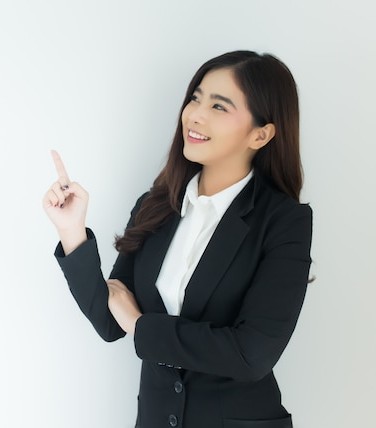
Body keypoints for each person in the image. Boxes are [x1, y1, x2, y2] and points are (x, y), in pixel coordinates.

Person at [42, 50, 313, 428]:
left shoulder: (284, 221)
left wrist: (141, 326)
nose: (195, 114)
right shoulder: (157, 205)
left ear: (261, 134)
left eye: (219, 106)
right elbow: (109, 320)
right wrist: (71, 231)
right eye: (196, 98)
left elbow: (251, 355)